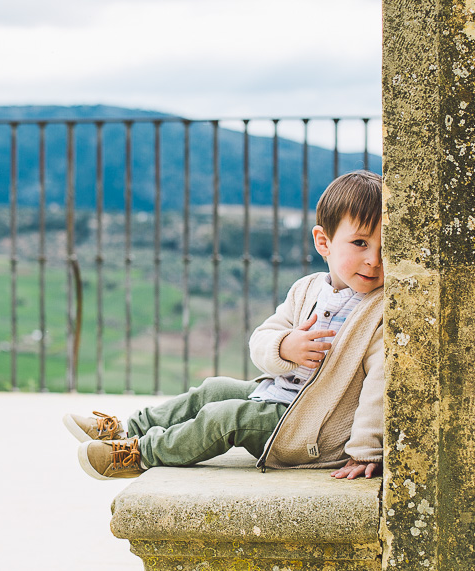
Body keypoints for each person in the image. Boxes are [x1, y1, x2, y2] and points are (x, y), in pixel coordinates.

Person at [65, 170, 384, 481]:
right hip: (278, 397)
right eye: (360, 243)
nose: (374, 259)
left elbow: (379, 386)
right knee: (213, 389)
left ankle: (139, 454)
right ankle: (127, 428)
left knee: (225, 418)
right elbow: (262, 339)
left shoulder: (380, 311)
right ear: (323, 242)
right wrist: (284, 347)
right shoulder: (307, 289)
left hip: (310, 430)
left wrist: (365, 451)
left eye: (386, 248)